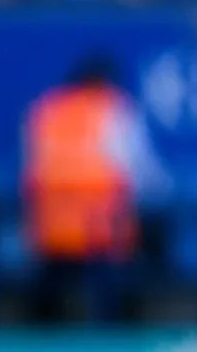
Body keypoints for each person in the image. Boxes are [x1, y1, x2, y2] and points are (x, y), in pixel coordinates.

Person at [21, 56, 165, 324]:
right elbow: (139, 168)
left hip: (54, 225)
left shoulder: (47, 110)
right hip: (100, 223)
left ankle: (41, 347)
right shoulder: (114, 109)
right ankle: (112, 339)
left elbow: (30, 162)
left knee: (50, 291)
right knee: (111, 287)